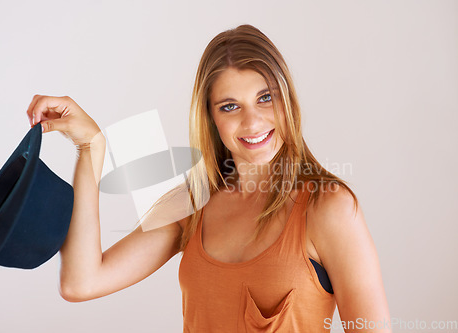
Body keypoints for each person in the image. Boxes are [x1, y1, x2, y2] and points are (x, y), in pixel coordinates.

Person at [27, 24, 391, 332]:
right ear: (211, 119)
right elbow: (81, 282)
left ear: (288, 101)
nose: (252, 122)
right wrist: (91, 147)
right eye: (230, 106)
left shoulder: (328, 208)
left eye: (266, 98)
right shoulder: (191, 202)